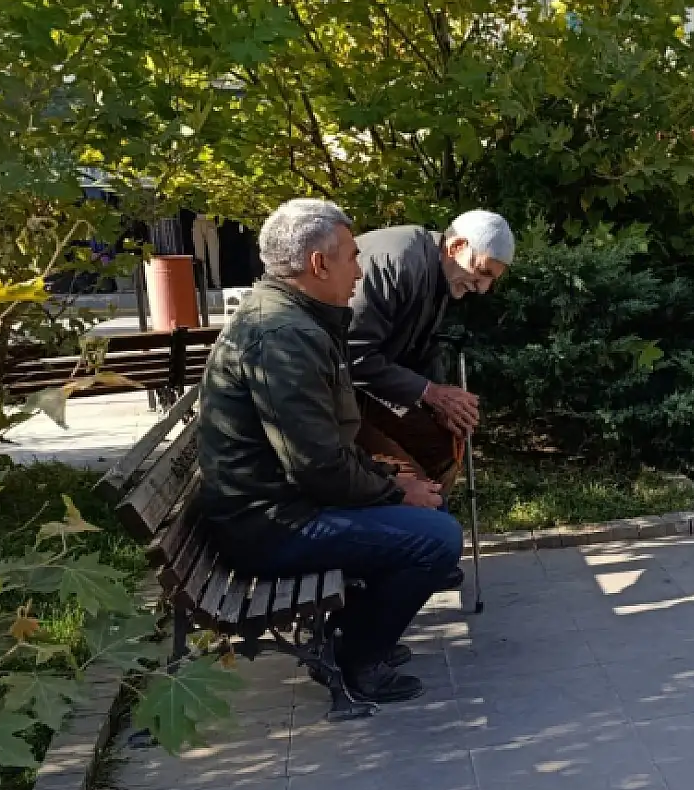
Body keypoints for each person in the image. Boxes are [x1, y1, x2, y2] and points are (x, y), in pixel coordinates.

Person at [196, 198, 463, 705]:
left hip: (276, 505)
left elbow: (326, 444)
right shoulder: (285, 337)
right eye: (352, 257)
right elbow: (317, 467)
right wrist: (393, 487)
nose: (360, 272)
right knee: (437, 538)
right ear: (319, 264)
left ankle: (351, 632)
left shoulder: (295, 321)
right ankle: (354, 660)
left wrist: (395, 481)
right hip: (270, 525)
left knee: (431, 504)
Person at [346, 211, 516, 491]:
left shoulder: (439, 273)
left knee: (443, 450)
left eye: (491, 280)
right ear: (456, 247)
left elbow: (423, 349)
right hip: (327, 399)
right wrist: (431, 393)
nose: (483, 288)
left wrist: (441, 407)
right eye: (483, 272)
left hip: (364, 391)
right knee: (418, 486)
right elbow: (351, 354)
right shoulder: (399, 262)